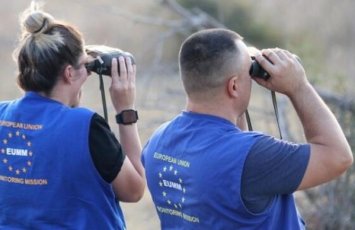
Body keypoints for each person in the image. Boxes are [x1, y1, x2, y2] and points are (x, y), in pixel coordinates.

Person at [142, 28, 353, 229]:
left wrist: (239, 65)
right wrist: (298, 86)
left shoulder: (157, 142)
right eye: (248, 72)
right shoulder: (254, 157)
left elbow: (224, 161)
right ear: (233, 86)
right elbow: (338, 156)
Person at [0, 3, 145, 229]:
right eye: (86, 67)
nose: (88, 74)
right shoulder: (85, 125)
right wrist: (126, 110)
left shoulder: (2, 115)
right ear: (69, 73)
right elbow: (134, 190)